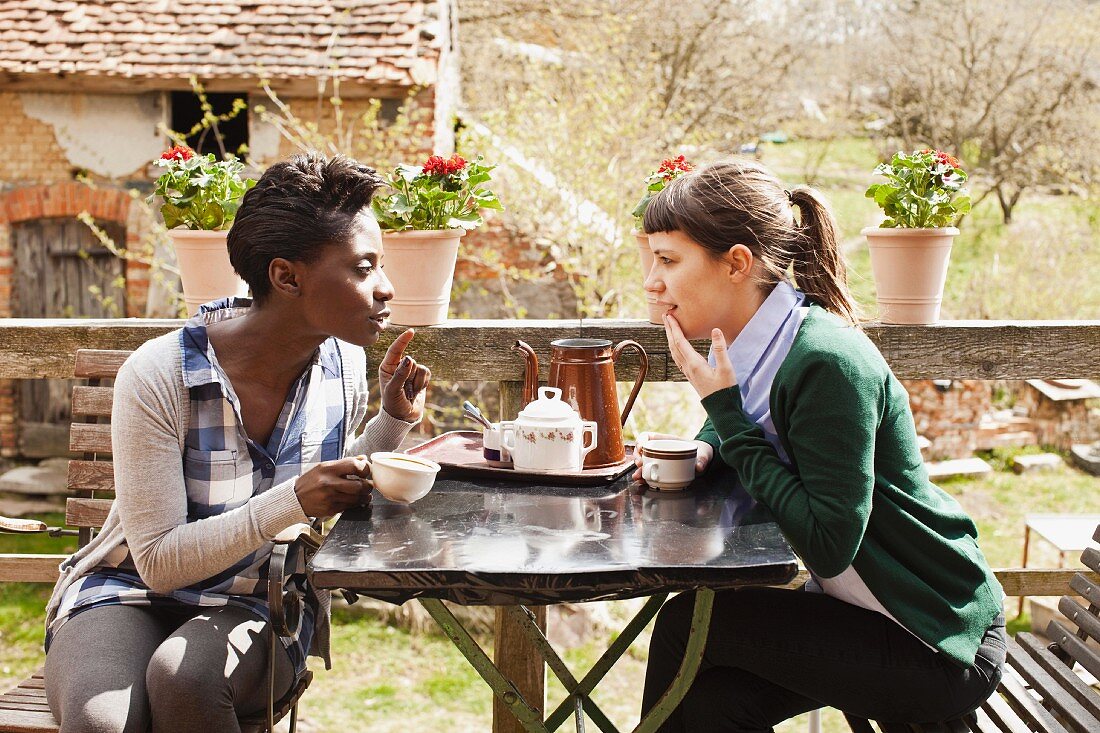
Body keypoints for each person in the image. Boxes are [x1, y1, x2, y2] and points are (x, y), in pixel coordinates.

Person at [43, 152, 431, 732]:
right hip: (128, 589)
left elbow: (333, 477)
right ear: (286, 276)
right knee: (103, 724)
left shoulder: (346, 366)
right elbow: (158, 564)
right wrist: (293, 501)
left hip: (259, 597)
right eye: (363, 267)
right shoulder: (160, 375)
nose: (386, 288)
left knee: (185, 679)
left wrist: (392, 422)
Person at [636, 158, 1005, 730]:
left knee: (691, 624)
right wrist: (707, 444)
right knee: (714, 705)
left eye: (668, 259)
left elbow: (830, 543)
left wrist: (725, 418)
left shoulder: (825, 361)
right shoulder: (765, 340)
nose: (650, 281)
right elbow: (749, 411)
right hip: (870, 611)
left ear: (736, 263)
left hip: (937, 637)